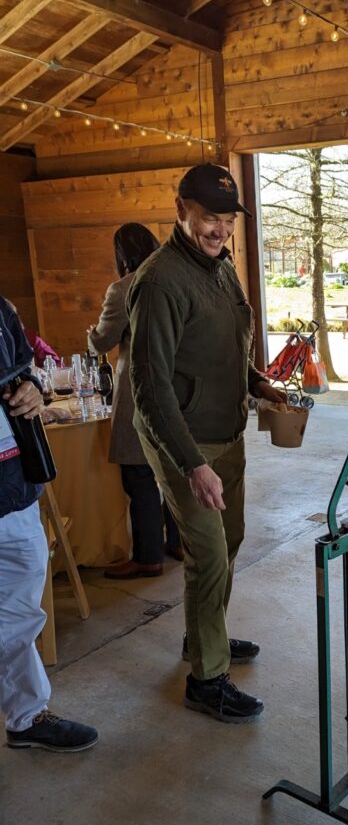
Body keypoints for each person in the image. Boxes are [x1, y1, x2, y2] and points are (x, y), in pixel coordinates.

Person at [128, 163, 285, 724]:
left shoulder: (221, 269)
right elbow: (149, 386)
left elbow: (225, 348)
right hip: (182, 442)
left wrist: (257, 384)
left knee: (231, 540)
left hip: (227, 430)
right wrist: (192, 464)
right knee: (209, 553)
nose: (218, 230)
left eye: (225, 220)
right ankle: (207, 678)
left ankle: (203, 640)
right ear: (180, 210)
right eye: (207, 218)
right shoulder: (160, 280)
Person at [0, 296, 98, 752]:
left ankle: (26, 716)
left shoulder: (1, 309)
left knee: (20, 614)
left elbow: (26, 370)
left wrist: (33, 390)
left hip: (15, 484)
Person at [88, 222, 182, 579]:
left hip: (140, 388)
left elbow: (102, 340)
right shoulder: (175, 278)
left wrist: (89, 336)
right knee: (176, 468)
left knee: (139, 475)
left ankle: (147, 556)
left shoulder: (123, 288)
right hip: (179, 385)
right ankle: (177, 542)